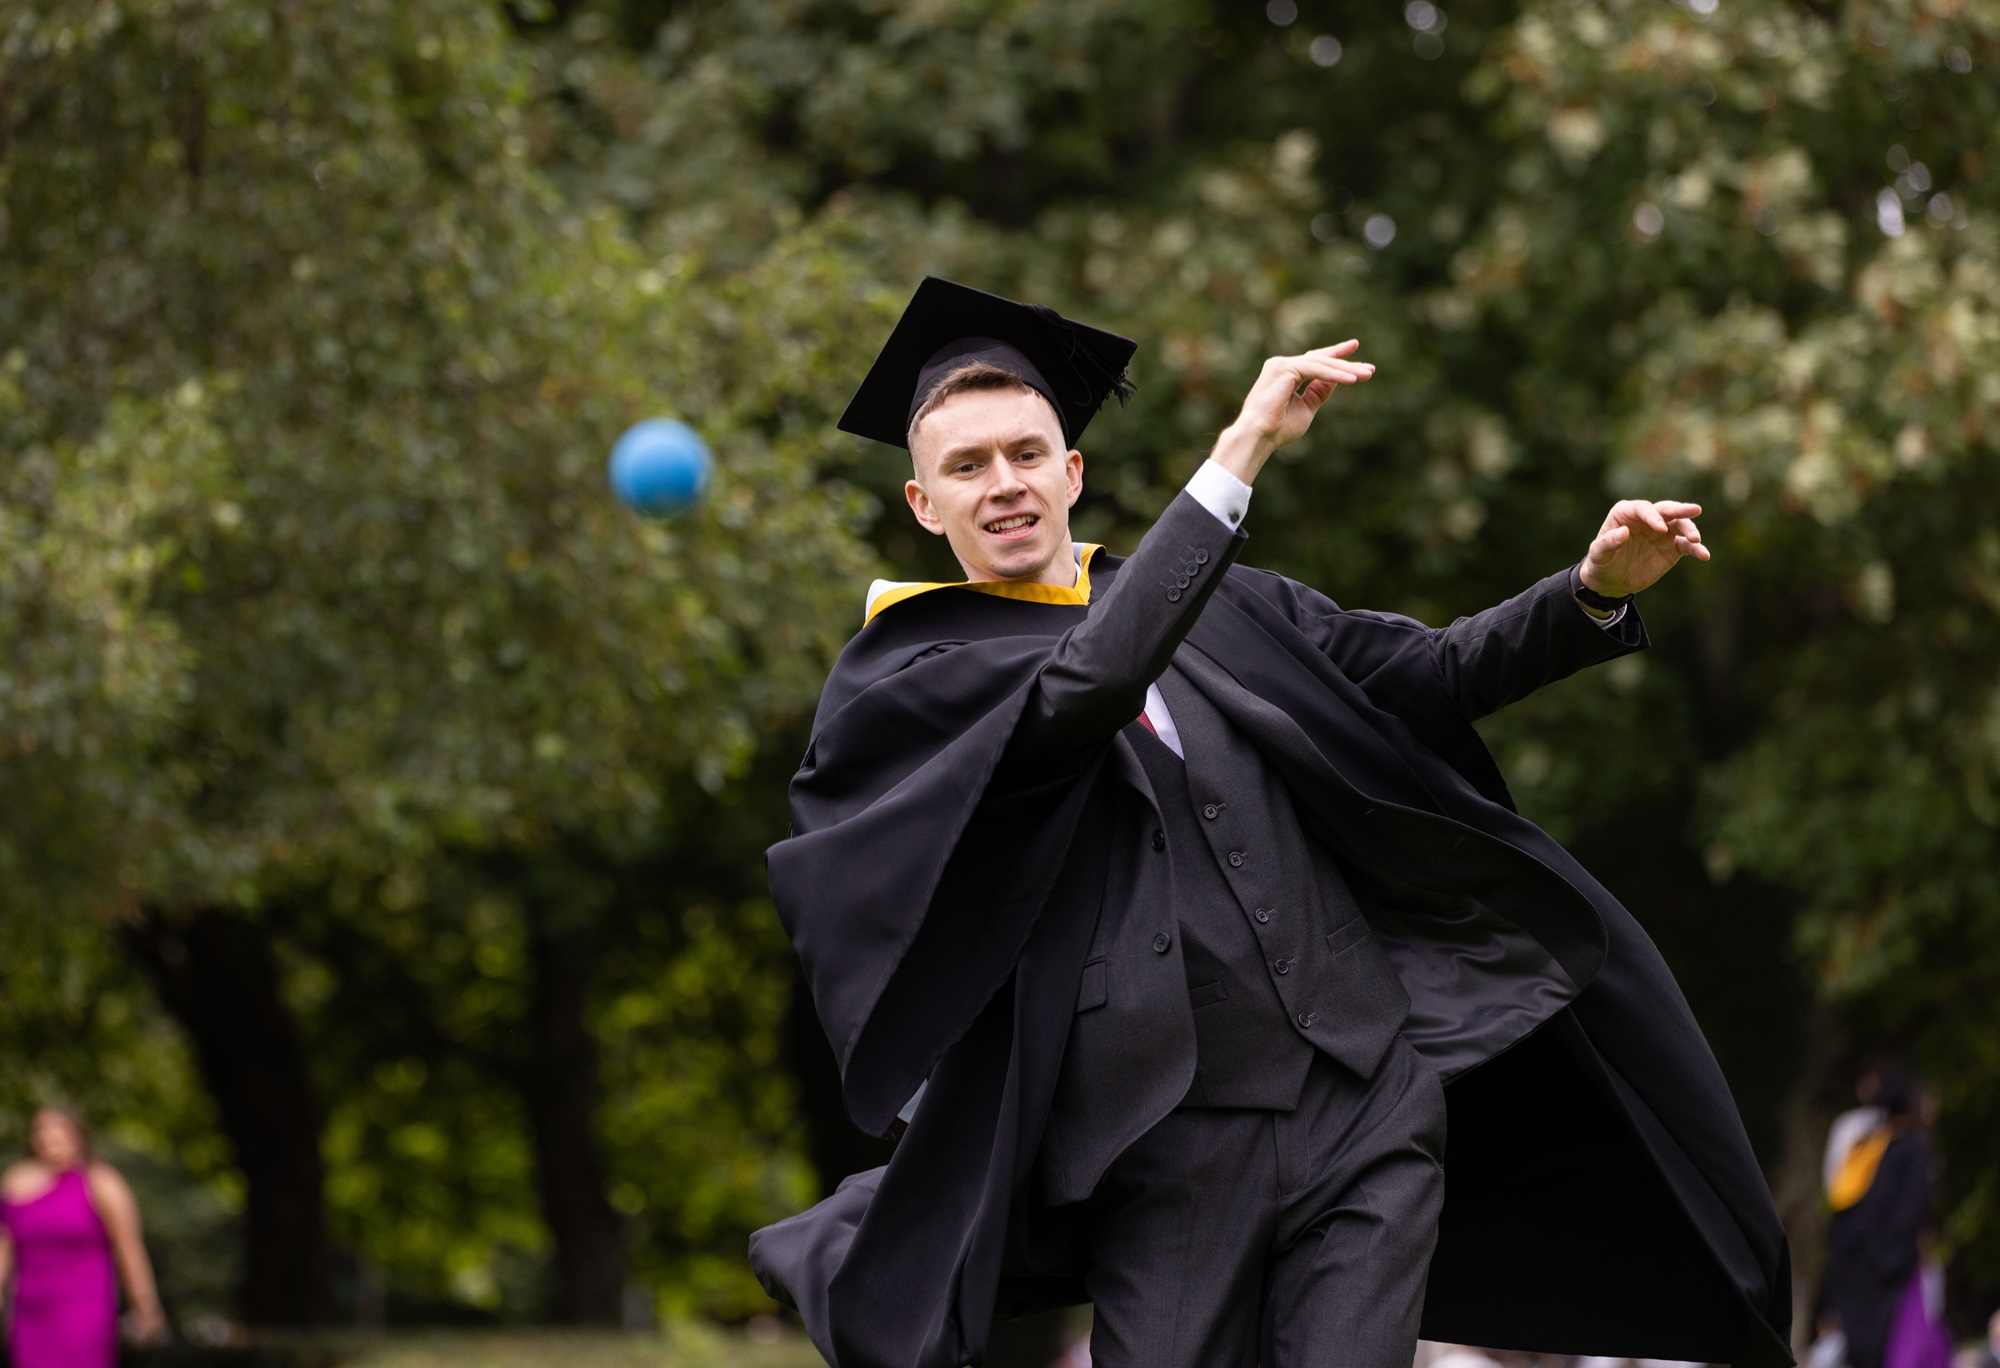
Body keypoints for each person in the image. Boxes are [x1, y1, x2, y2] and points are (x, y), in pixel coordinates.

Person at [749, 277, 1792, 1368]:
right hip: (1159, 1145)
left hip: (1365, 1100)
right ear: (923, 506)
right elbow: (1078, 694)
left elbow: (1424, 673)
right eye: (965, 468)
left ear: (1071, 474)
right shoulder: (912, 672)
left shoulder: (1225, 607)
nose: (1001, 485)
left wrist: (1583, 589)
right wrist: (1235, 457)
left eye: (1022, 455)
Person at [0, 1106, 168, 1368]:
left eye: (56, 1129)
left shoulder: (103, 1182)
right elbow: (3, 1248)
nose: (47, 1137)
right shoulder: (16, 1182)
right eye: (40, 1130)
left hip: (83, 1308)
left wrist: (146, 1309)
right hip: (29, 1310)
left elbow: (130, 1250)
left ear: (77, 1135)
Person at [1820, 1074, 1934, 1368]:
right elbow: (1911, 1211)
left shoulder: (1866, 1149)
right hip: (1882, 1272)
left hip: (1859, 1269)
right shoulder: (1910, 1150)